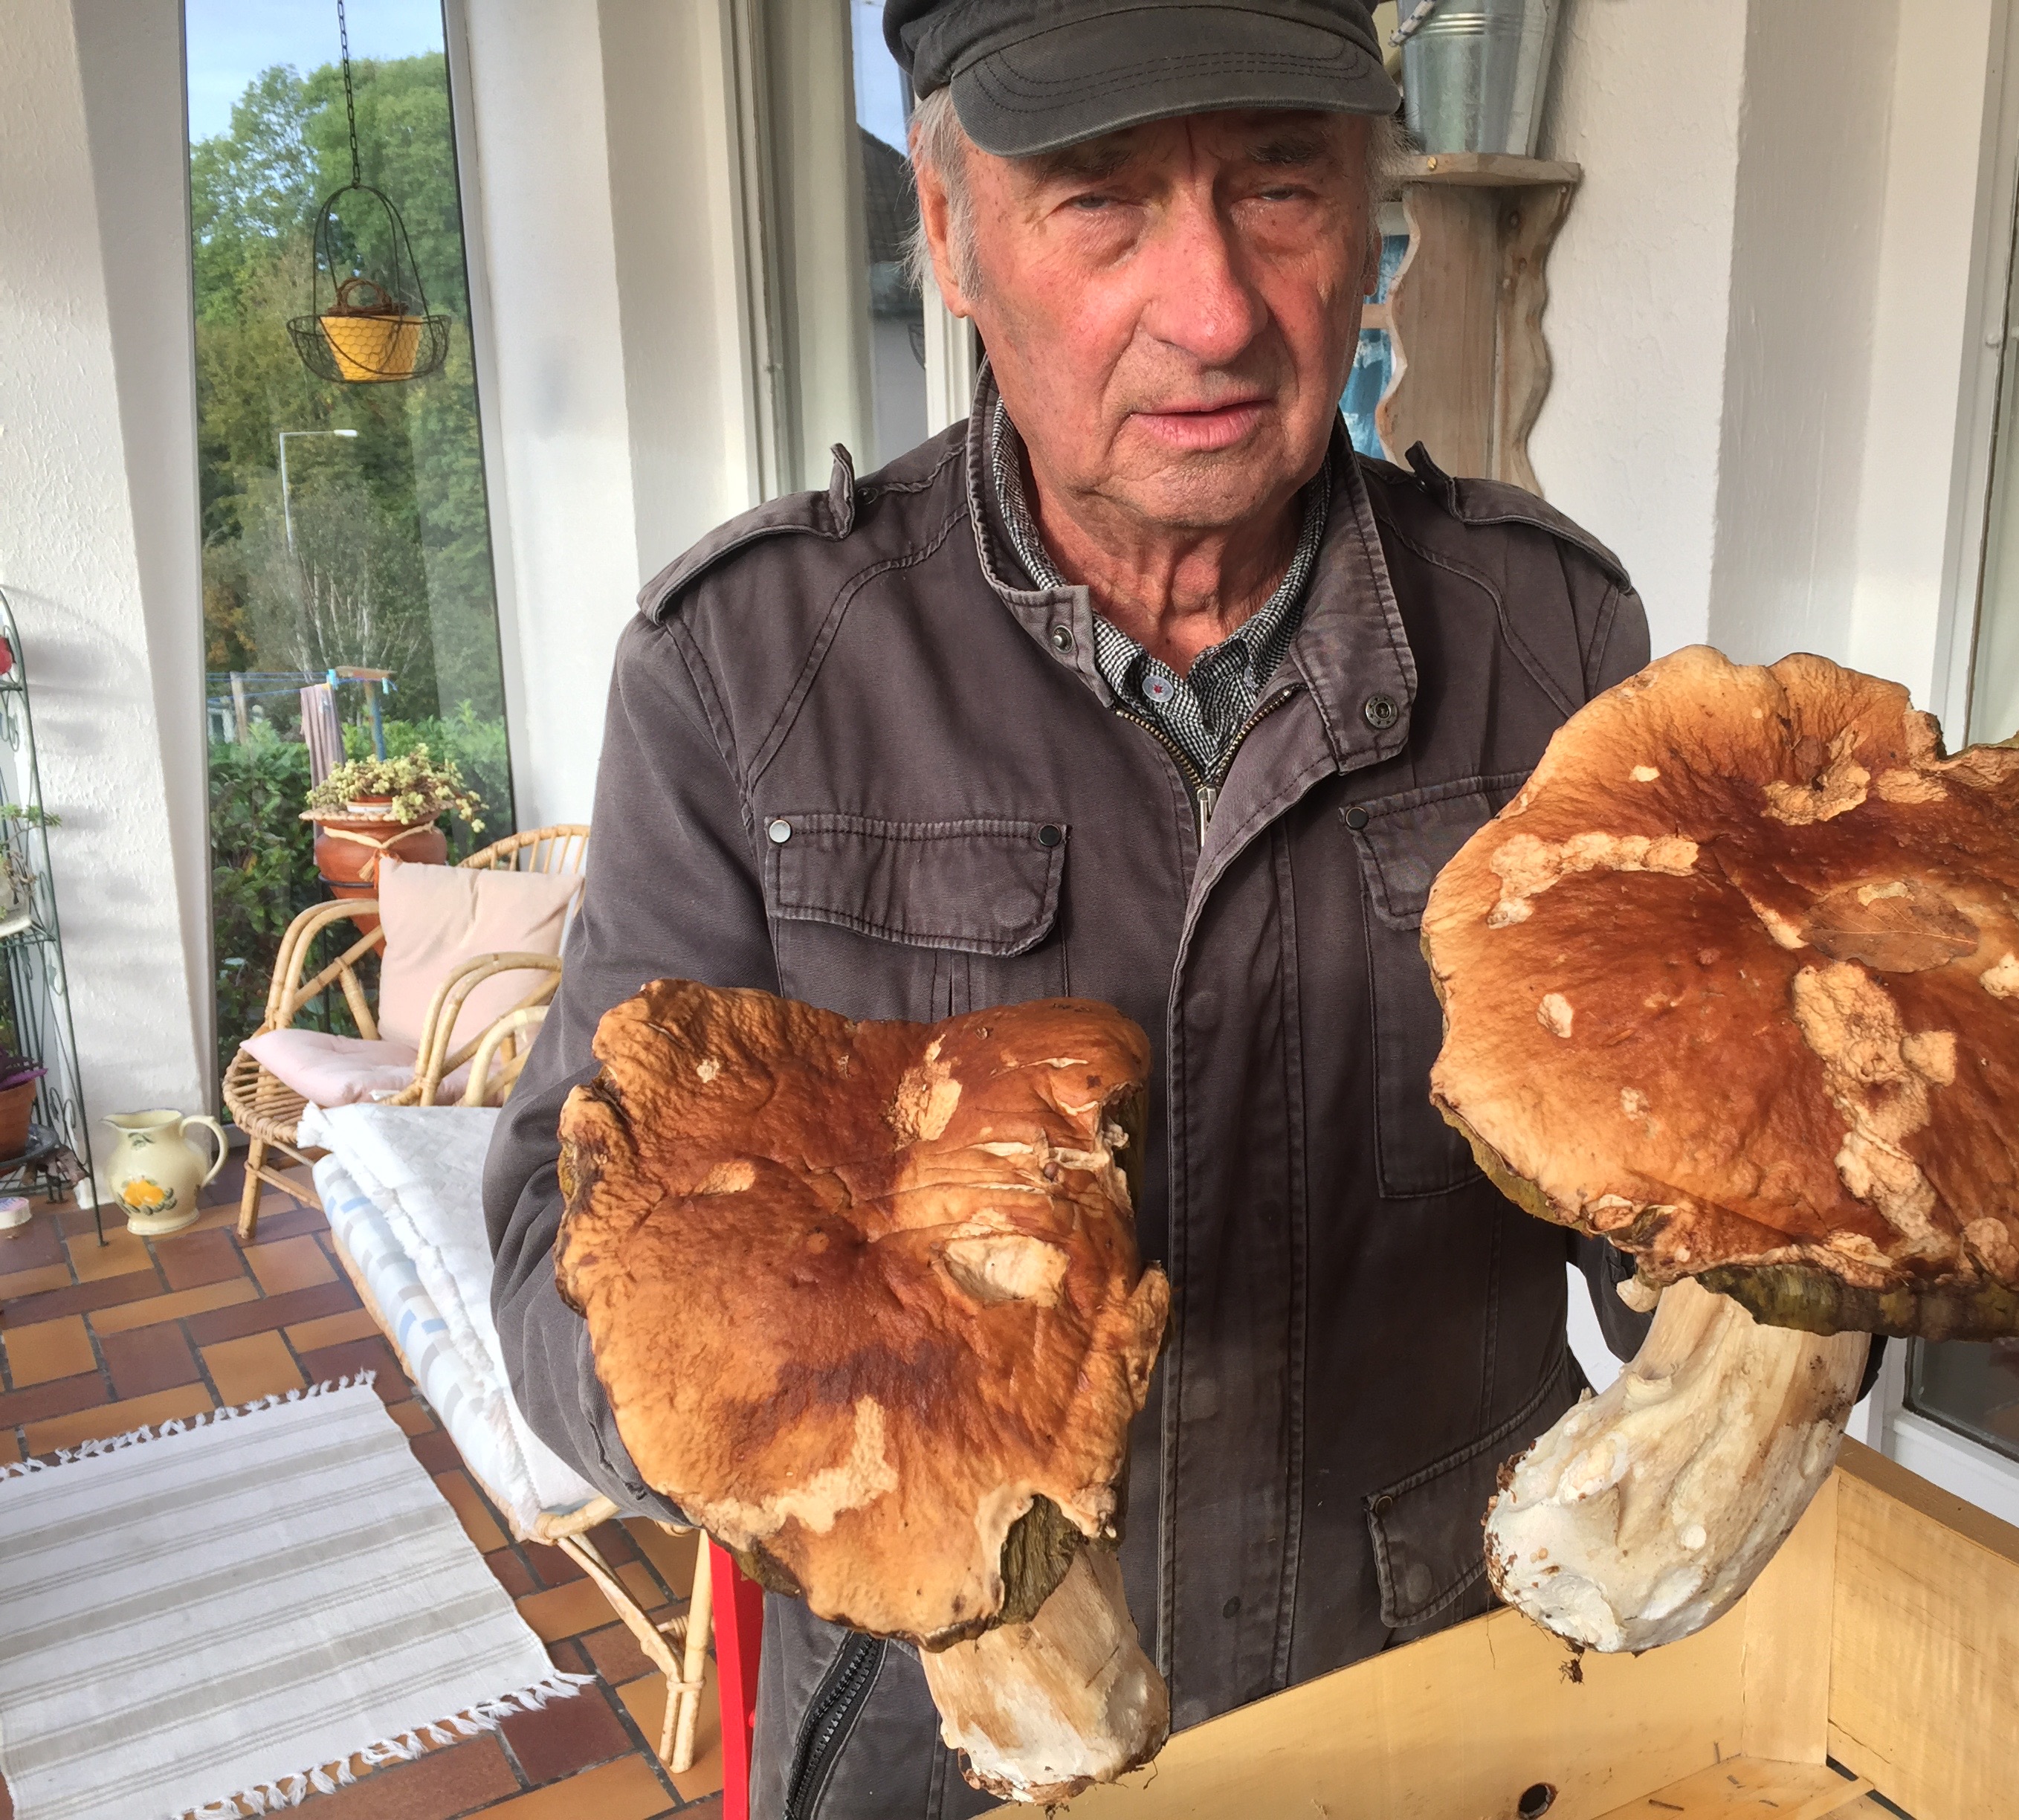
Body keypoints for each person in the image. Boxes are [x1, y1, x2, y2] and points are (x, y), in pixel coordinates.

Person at [484, 2, 1650, 1813]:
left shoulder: (1547, 639)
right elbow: (552, 1263)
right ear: (947, 233)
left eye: (1279, 182)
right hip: (936, 1747)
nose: (1213, 312)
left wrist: (1813, 1216)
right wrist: (787, 1394)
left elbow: (1655, 1210)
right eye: (1099, 201)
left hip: (1447, 1706)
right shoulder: (748, 670)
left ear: (1373, 212)